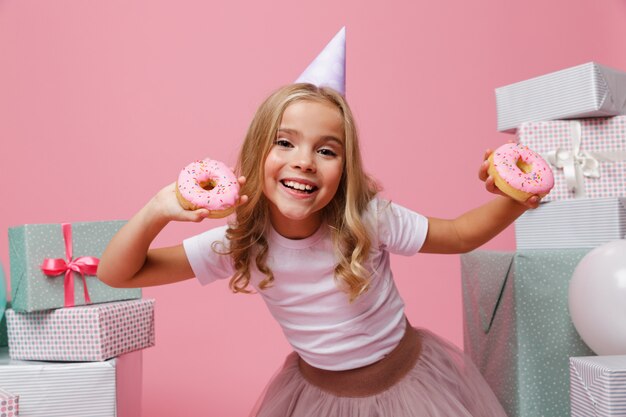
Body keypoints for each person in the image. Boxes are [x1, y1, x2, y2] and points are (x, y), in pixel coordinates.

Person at [98, 81, 538, 416]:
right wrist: (158, 208)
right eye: (285, 142)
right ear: (257, 155)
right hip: (317, 399)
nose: (304, 160)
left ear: (344, 169)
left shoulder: (368, 219)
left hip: (410, 387)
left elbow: (460, 235)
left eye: (326, 150)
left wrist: (516, 197)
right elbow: (118, 273)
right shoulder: (241, 244)